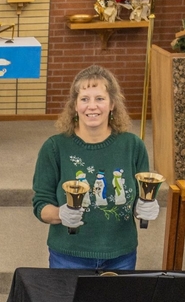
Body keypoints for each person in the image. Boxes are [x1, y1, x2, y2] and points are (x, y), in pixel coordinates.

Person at [32, 65, 159, 270]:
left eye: (100, 98)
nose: (92, 106)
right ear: (74, 105)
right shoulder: (55, 147)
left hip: (121, 254)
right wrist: (60, 214)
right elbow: (40, 205)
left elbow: (139, 199)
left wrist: (144, 207)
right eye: (84, 99)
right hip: (69, 255)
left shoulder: (133, 146)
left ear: (112, 104)